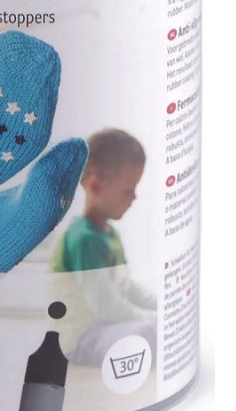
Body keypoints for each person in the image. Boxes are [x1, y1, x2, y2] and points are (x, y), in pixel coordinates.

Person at [49, 129, 156, 366]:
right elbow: (105, 305)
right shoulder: (83, 238)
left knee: (155, 329)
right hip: (84, 338)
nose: (134, 198)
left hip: (109, 326)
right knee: (147, 332)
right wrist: (151, 318)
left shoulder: (110, 234)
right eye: (128, 190)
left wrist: (163, 308)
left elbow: (127, 287)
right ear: (95, 186)